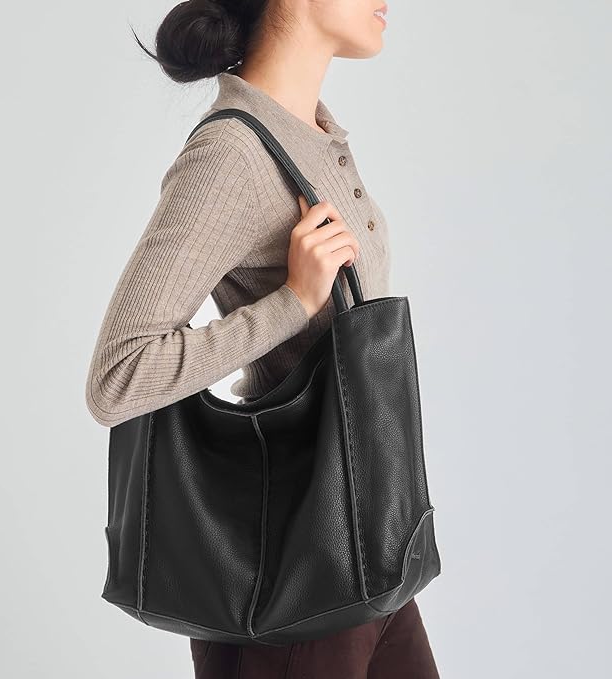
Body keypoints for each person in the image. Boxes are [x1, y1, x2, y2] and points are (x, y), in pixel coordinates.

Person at [85, 0, 440, 676]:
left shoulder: (310, 133)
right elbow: (117, 377)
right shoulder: (232, 155)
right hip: (293, 574)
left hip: (371, 545)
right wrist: (292, 303)